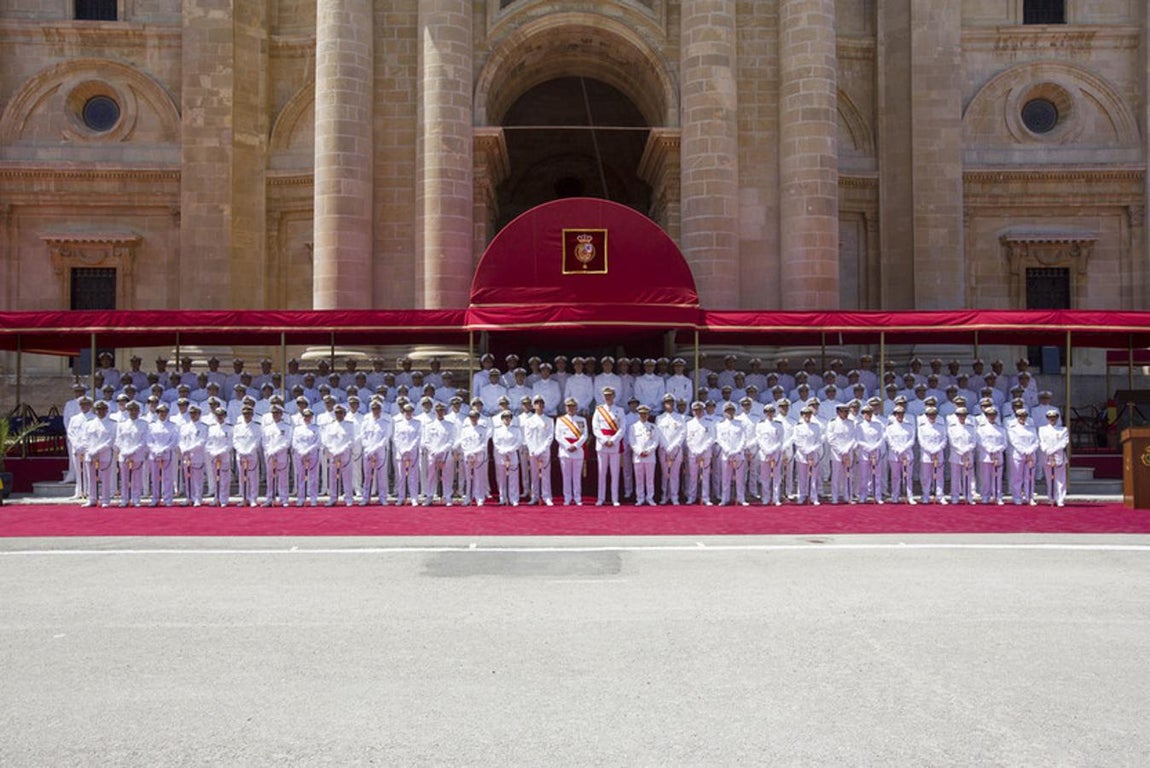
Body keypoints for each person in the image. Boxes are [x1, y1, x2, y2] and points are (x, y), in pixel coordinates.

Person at [592, 387, 626, 506]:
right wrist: (604, 439)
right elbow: (595, 428)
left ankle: (614, 498)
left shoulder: (620, 410)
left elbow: (622, 428)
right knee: (602, 472)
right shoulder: (598, 410)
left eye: (610, 395)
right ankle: (600, 498)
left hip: (614, 444)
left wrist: (613, 440)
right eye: (606, 395)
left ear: (614, 396)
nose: (608, 397)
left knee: (615, 473)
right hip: (602, 444)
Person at [83, 400, 117, 508]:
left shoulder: (112, 424)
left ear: (107, 410)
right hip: (90, 455)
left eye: (103, 409)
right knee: (91, 478)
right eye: (98, 409)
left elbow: (110, 440)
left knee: (105, 478)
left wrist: (97, 450)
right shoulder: (89, 423)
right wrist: (90, 450)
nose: (100, 411)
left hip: (104, 454)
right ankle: (92, 498)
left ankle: (105, 499)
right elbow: (84, 439)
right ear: (95, 411)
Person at [422, 402, 457, 506]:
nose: (440, 413)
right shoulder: (429, 426)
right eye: (438, 411)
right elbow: (426, 441)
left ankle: (448, 497)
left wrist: (442, 450)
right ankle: (429, 496)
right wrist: (433, 451)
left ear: (444, 412)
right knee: (431, 476)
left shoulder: (450, 425)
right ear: (435, 412)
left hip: (445, 454)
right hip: (432, 454)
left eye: (442, 411)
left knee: (447, 476)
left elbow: (451, 440)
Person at [554, 397, 588, 506]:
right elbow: (558, 436)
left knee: (577, 476)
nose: (571, 409)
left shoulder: (582, 420)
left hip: (578, 450)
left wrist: (576, 445)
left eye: (573, 406)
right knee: (566, 476)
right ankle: (567, 497)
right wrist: (568, 445)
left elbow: (584, 435)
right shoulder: (560, 420)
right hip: (565, 450)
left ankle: (577, 497)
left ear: (576, 408)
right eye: (569, 406)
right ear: (565, 408)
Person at [359, 399, 392, 505]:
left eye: (377, 408)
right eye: (373, 409)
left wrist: (374, 449)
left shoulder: (385, 423)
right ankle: (365, 497)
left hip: (380, 452)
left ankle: (383, 497)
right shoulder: (365, 422)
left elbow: (385, 439)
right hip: (368, 453)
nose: (375, 410)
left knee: (382, 476)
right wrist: (369, 449)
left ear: (381, 409)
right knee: (367, 476)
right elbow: (363, 437)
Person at [522, 396, 554, 506]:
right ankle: (534, 496)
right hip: (533, 451)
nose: (539, 405)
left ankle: (547, 496)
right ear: (533, 405)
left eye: (541, 403)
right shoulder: (529, 421)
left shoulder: (549, 420)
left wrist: (542, 449)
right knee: (534, 475)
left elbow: (550, 436)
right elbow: (527, 436)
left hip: (544, 451)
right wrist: (533, 449)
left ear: (544, 405)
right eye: (536, 403)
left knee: (546, 475)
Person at [147, 403, 180, 507]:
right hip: (154, 454)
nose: (162, 414)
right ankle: (155, 498)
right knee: (155, 477)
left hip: (167, 454)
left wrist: (165, 449)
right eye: (160, 412)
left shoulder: (172, 426)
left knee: (168, 477)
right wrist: (154, 449)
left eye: (164, 412)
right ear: (157, 413)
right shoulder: (151, 425)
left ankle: (168, 498)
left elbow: (174, 440)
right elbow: (148, 440)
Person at [825, 403, 857, 504]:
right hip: (836, 454)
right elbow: (830, 439)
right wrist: (840, 450)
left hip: (848, 453)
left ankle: (847, 496)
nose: (846, 414)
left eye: (847, 411)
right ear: (838, 412)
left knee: (848, 475)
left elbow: (854, 438)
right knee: (836, 476)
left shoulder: (852, 423)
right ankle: (835, 496)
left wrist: (847, 449)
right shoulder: (832, 423)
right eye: (844, 411)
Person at [655, 394, 685, 505]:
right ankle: (664, 495)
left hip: (676, 450)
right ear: (664, 404)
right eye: (667, 402)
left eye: (672, 402)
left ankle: (674, 496)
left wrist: (673, 446)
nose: (670, 404)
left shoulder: (680, 418)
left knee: (675, 474)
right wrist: (665, 446)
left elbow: (682, 433)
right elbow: (658, 433)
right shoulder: (659, 418)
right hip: (663, 449)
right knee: (665, 474)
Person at [754, 403, 786, 506]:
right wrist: (766, 450)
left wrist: (773, 449)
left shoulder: (779, 424)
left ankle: (776, 498)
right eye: (767, 412)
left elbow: (780, 439)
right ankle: (766, 497)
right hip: (764, 453)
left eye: (772, 412)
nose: (770, 414)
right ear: (764, 413)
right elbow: (759, 439)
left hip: (775, 453)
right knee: (765, 477)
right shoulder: (760, 424)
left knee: (776, 477)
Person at [628, 404, 660, 506]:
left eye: (645, 414)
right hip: (638, 457)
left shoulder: (653, 427)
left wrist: (648, 451)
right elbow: (632, 441)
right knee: (639, 479)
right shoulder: (633, 427)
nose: (643, 416)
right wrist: (639, 451)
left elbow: (656, 441)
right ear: (638, 414)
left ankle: (650, 498)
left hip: (650, 457)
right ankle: (640, 498)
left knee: (650, 479)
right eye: (641, 414)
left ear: (648, 415)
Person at [684, 401, 715, 505]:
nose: (698, 412)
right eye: (696, 410)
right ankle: (691, 497)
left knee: (705, 476)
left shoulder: (709, 422)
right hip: (693, 453)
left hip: (705, 453)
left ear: (703, 410)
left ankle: (705, 497)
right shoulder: (689, 424)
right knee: (692, 476)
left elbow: (711, 438)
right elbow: (688, 439)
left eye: (700, 410)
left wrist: (702, 450)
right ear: (693, 411)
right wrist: (694, 450)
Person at [884, 406, 916, 504]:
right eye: (897, 414)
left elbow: (912, 439)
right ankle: (895, 495)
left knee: (908, 477)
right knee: (895, 477)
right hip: (894, 455)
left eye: (901, 413)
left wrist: (904, 449)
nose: (900, 416)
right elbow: (889, 440)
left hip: (907, 454)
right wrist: (897, 450)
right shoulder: (889, 427)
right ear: (894, 415)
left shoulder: (909, 426)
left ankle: (909, 496)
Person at [1007, 408, 1040, 505]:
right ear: (1016, 417)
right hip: (1018, 455)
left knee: (1029, 477)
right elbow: (1014, 442)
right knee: (1017, 477)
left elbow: (1036, 441)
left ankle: (1029, 497)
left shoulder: (1031, 428)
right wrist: (1025, 451)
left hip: (1031, 455)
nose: (1022, 418)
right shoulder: (1012, 428)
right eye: (1020, 416)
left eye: (1024, 416)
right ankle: (1017, 497)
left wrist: (1030, 450)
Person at [392, 402, 422, 506]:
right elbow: (395, 438)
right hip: (401, 454)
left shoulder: (417, 423)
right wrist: (402, 450)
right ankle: (401, 497)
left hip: (412, 453)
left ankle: (414, 497)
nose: (408, 413)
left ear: (413, 412)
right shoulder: (398, 424)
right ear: (403, 412)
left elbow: (418, 437)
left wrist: (410, 449)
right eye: (406, 411)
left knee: (413, 476)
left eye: (410, 411)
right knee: (400, 477)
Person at [976, 407, 1007, 505]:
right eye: (989, 415)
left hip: (998, 455)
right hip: (986, 456)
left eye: (993, 415)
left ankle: (997, 496)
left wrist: (997, 450)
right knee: (985, 478)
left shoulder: (1001, 429)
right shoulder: (981, 428)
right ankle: (985, 496)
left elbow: (1005, 443)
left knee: (997, 477)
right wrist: (990, 450)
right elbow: (980, 441)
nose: (992, 417)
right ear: (986, 416)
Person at [262, 405, 293, 507]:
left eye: (277, 413)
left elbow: (287, 442)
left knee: (283, 478)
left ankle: (284, 498)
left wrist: (276, 450)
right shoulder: (267, 428)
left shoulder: (287, 427)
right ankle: (269, 498)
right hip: (270, 455)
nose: (275, 415)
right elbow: (264, 441)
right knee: (270, 477)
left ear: (281, 414)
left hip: (281, 455)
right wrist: (269, 450)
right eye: (273, 413)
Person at [458, 410, 490, 506]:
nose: (473, 419)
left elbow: (484, 444)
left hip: (479, 456)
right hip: (468, 456)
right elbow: (463, 443)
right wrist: (469, 453)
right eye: (471, 417)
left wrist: (475, 453)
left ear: (478, 418)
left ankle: (479, 497)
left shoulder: (483, 429)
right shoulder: (465, 429)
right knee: (468, 478)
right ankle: (468, 497)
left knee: (479, 478)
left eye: (475, 417)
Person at [233, 405, 263, 507]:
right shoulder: (237, 427)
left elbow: (258, 440)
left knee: (253, 477)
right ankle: (244, 497)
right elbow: (235, 440)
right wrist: (241, 450)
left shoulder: (257, 426)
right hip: (241, 455)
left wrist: (249, 450)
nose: (247, 416)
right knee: (242, 477)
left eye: (249, 414)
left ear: (252, 414)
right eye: (245, 414)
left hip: (252, 454)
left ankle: (253, 498)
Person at [178, 404, 208, 507]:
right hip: (186, 456)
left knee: (197, 478)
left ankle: (197, 498)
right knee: (187, 478)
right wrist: (183, 449)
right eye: (191, 413)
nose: (193, 415)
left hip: (197, 455)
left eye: (195, 413)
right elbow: (181, 440)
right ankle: (189, 497)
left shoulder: (203, 427)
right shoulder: (185, 427)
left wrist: (189, 449)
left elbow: (202, 442)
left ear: (199, 414)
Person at [792, 406, 823, 505]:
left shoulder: (816, 426)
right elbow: (797, 441)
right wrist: (806, 451)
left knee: (813, 478)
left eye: (809, 414)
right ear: (802, 415)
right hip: (802, 455)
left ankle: (813, 497)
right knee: (802, 477)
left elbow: (819, 440)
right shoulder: (797, 427)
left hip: (813, 455)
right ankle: (801, 496)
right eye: (805, 414)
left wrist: (811, 450)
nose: (807, 416)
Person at [917, 407, 948, 504]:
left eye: (934, 414)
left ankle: (940, 496)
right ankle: (925, 495)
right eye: (930, 414)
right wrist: (931, 451)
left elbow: (944, 439)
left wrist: (936, 450)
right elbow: (921, 441)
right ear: (926, 416)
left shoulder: (941, 426)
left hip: (938, 454)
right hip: (926, 455)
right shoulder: (922, 427)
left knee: (939, 476)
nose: (932, 416)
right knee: (926, 477)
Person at [1039, 409, 1070, 507]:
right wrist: (1047, 450)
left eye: (1054, 417)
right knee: (1049, 479)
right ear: (1047, 418)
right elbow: (1042, 441)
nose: (1052, 419)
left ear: (1057, 418)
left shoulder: (1063, 429)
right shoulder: (1042, 429)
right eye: (1050, 417)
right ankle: (1051, 498)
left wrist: (1053, 450)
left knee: (1060, 480)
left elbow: (1064, 442)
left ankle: (1060, 499)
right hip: (1047, 456)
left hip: (1059, 456)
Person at [492, 410, 523, 506]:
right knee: (502, 479)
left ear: (511, 419)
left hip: (512, 455)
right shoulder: (497, 430)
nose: (507, 419)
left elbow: (519, 441)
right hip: (501, 456)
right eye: (505, 417)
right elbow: (495, 442)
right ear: (502, 419)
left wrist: (510, 450)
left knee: (513, 479)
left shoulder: (516, 429)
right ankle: (502, 498)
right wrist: (502, 451)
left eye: (508, 417)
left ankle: (514, 499)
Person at [948, 407, 978, 504]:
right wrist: (960, 450)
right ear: (957, 416)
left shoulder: (971, 427)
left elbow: (974, 441)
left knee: (968, 477)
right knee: (955, 477)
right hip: (956, 455)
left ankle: (968, 496)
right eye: (960, 415)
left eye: (964, 415)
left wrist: (967, 450)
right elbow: (951, 441)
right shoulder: (952, 427)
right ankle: (955, 496)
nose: (962, 417)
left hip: (968, 455)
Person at [205, 408, 233, 507]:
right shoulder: (212, 428)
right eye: (218, 415)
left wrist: (220, 453)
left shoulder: (229, 428)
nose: (219, 417)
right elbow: (208, 443)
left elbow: (230, 443)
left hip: (224, 456)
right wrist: (213, 453)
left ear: (225, 416)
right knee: (215, 478)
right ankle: (216, 497)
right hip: (214, 456)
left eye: (221, 415)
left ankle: (224, 499)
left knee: (224, 479)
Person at [292, 409, 321, 506]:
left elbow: (318, 442)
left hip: (312, 454)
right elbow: (294, 442)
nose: (307, 418)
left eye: (309, 416)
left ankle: (313, 498)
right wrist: (301, 451)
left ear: (312, 417)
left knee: (313, 477)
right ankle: (301, 497)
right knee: (300, 477)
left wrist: (308, 451)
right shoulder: (297, 429)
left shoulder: (316, 428)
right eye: (305, 416)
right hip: (300, 454)